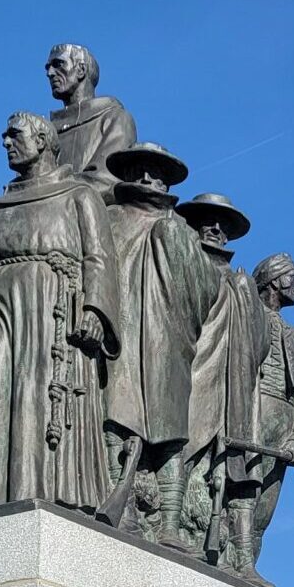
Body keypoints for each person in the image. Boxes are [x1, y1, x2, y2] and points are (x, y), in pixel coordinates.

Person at [0, 112, 120, 513]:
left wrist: (95, 311)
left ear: (43, 140)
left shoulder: (77, 195)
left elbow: (99, 258)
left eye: (14, 134)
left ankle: (41, 488)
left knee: (38, 390)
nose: (5, 142)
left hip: (51, 302)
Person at [103, 145, 219, 549]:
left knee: (171, 435)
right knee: (115, 420)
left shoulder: (181, 232)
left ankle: (170, 523)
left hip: (168, 348)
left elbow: (207, 292)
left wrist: (175, 244)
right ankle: (122, 504)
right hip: (120, 340)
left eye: (157, 173)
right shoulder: (109, 220)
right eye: (141, 171)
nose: (149, 179)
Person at [176, 194, 269, 582]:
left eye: (223, 225)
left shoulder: (239, 283)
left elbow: (258, 344)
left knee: (227, 469)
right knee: (185, 450)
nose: (215, 230)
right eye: (207, 221)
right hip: (192, 374)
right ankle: (176, 526)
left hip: (232, 389)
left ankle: (224, 548)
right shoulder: (182, 264)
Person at [250, 253, 294, 562]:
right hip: (250, 411)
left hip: (283, 421)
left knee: (265, 509)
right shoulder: (245, 318)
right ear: (275, 280)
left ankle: (247, 564)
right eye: (293, 277)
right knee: (240, 495)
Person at [45, 44, 137, 200]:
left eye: (58, 64)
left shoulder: (115, 118)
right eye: (48, 67)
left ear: (81, 70)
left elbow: (106, 181)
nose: (50, 73)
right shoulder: (45, 131)